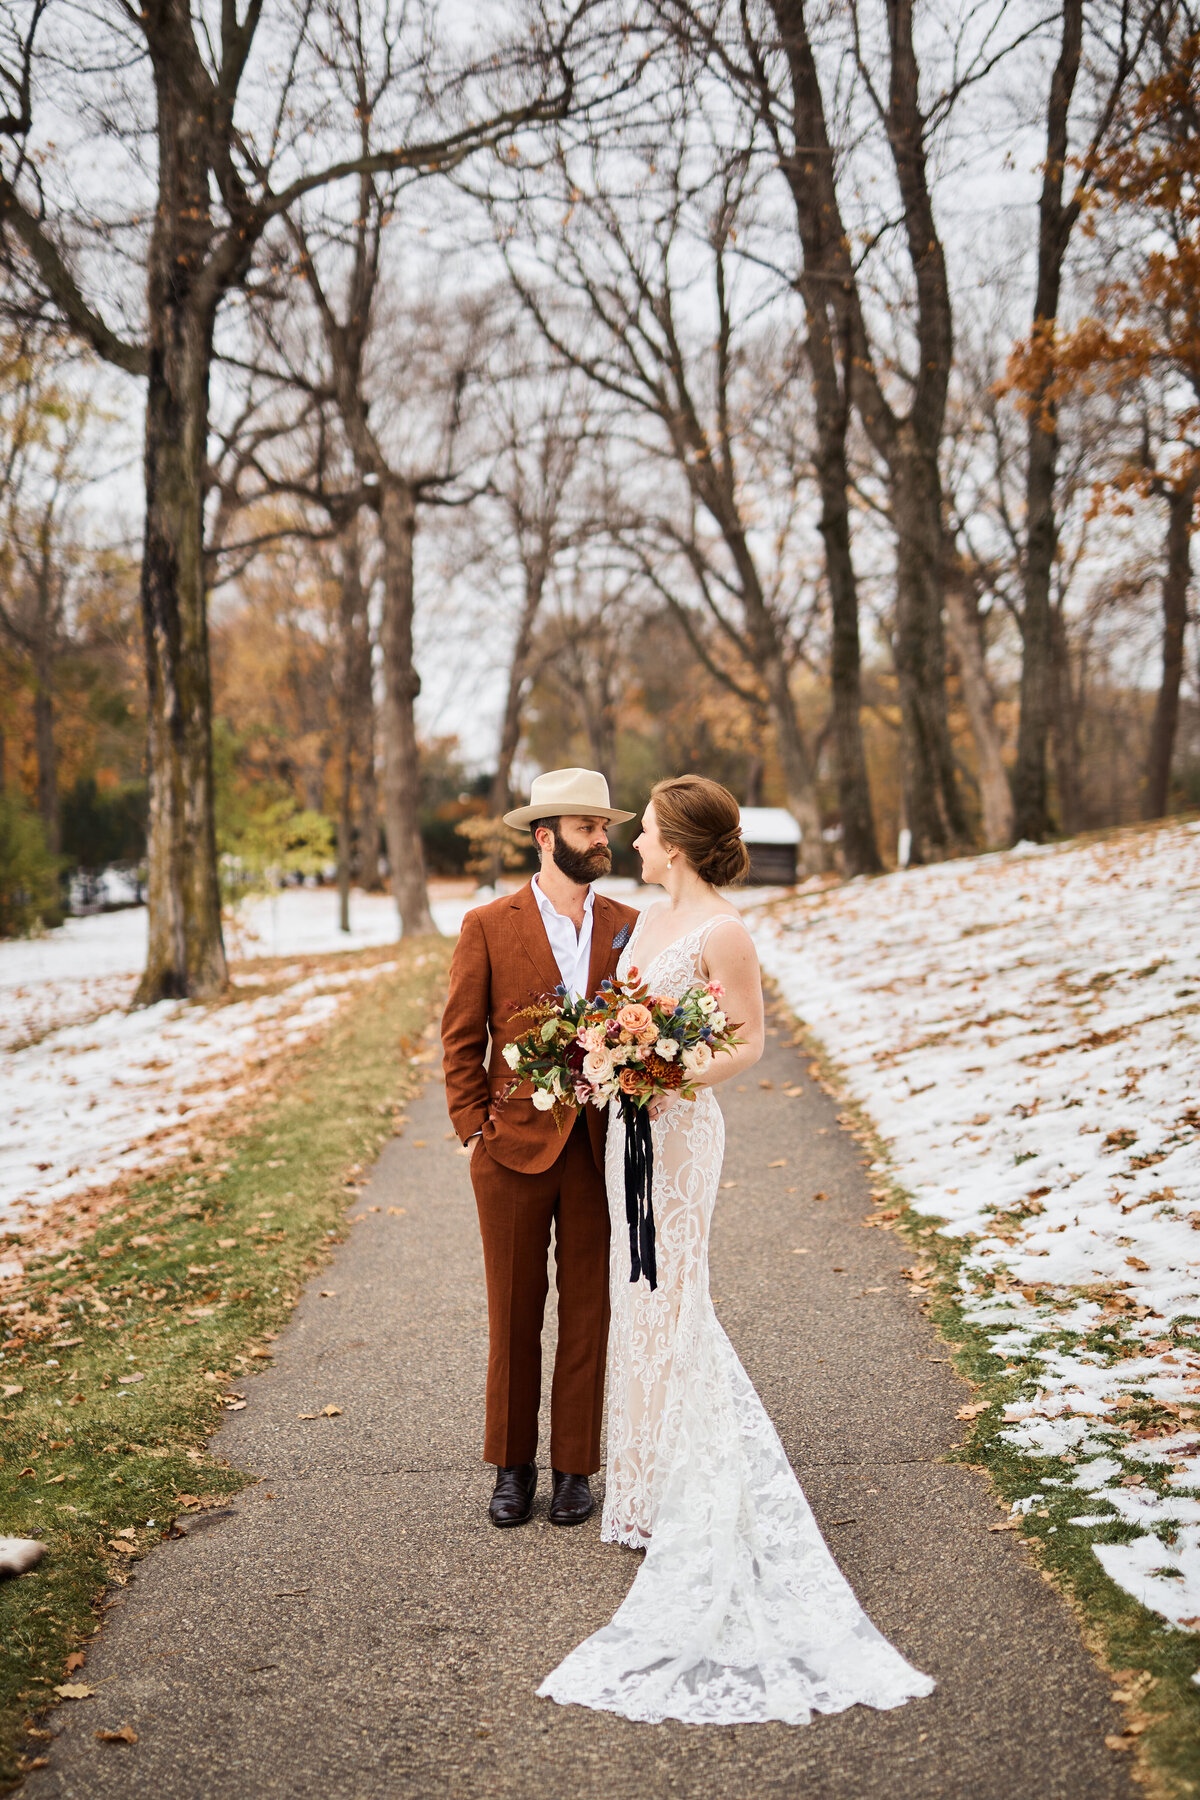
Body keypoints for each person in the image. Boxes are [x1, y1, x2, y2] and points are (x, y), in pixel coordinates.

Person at [539, 774, 935, 1725]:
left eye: (645, 832)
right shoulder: (645, 925)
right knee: (637, 1299)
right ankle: (641, 1495)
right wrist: (609, 1064)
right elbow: (624, 1020)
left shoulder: (724, 932)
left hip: (680, 1135)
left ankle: (692, 1491)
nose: (631, 841)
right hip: (631, 1129)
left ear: (676, 842)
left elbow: (748, 1045)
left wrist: (663, 1069)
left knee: (675, 1296)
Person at [441, 768, 640, 1529]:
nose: (603, 840)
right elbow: (461, 1038)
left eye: (606, 827)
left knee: (589, 1313)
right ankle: (511, 1467)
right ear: (546, 836)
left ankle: (574, 1470)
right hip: (510, 1151)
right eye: (588, 829)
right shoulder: (488, 924)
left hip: (599, 1149)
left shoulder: (627, 924)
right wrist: (471, 1131)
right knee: (514, 1313)